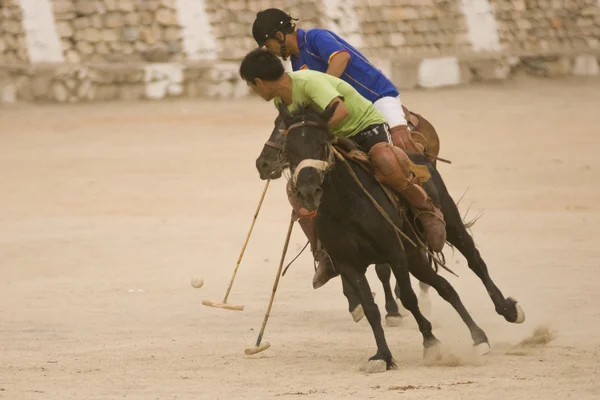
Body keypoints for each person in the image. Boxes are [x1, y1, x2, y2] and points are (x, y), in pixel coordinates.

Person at [240, 49, 446, 289]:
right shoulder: (279, 99)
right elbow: (293, 129)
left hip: (364, 128)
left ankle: (425, 211)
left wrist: (315, 137)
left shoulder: (308, 83)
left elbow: (340, 111)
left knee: (387, 166)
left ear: (259, 82)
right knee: (296, 188)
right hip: (333, 136)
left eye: (252, 87)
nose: (255, 91)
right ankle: (324, 253)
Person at [251, 8, 424, 154]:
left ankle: (424, 190)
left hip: (376, 97)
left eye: (268, 44)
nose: (270, 51)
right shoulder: (296, 63)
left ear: (280, 36)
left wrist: (322, 88)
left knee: (401, 143)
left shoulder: (314, 37)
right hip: (351, 114)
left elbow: (341, 57)